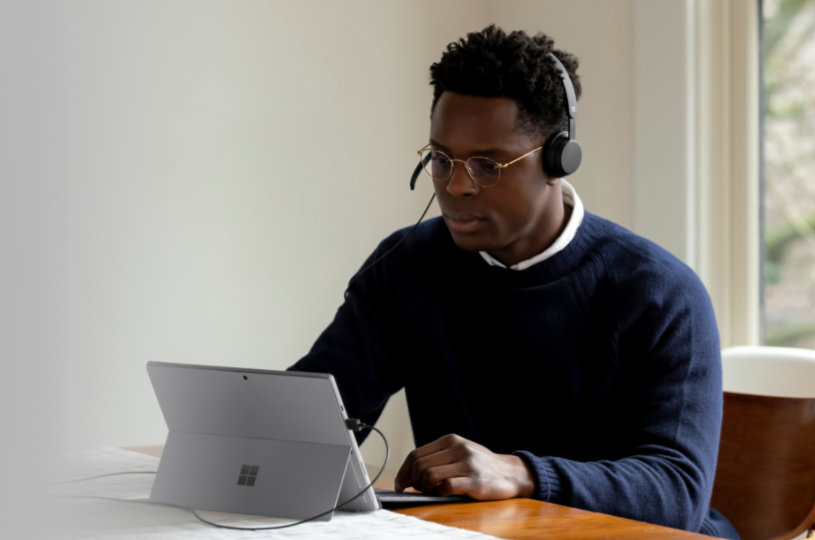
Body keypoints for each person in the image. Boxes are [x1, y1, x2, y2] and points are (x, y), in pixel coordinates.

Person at [290, 25, 739, 538]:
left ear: (557, 159)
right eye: (440, 159)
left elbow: (676, 492)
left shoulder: (659, 292)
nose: (456, 186)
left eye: (488, 165)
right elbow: (316, 419)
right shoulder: (405, 265)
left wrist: (522, 473)